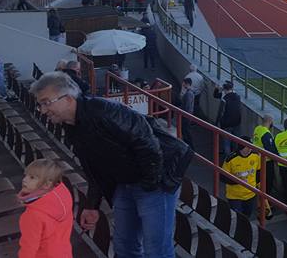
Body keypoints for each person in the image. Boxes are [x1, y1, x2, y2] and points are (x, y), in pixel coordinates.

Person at [31, 71, 192, 258]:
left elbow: (147, 143)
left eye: (46, 103)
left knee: (156, 250)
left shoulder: (103, 110)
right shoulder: (71, 125)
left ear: (67, 99)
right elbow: (93, 168)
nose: (43, 110)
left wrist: (149, 186)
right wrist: (92, 205)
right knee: (124, 245)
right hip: (126, 182)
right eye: (40, 104)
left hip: (156, 179)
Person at [17, 159, 73, 258]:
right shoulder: (63, 196)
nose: (24, 180)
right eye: (26, 175)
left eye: (32, 177)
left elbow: (28, 248)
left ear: (47, 185)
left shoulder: (32, 215)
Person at [222, 137, 260, 217]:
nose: (250, 149)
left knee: (247, 215)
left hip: (250, 193)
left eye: (251, 146)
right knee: (236, 217)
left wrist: (256, 185)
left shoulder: (255, 156)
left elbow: (259, 172)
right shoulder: (231, 159)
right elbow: (223, 177)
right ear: (241, 147)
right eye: (247, 147)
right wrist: (238, 181)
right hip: (235, 196)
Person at [251, 115, 279, 219]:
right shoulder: (266, 134)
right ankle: (265, 209)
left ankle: (262, 206)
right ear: (270, 122)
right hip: (265, 162)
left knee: (260, 184)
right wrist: (277, 160)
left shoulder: (257, 129)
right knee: (267, 184)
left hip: (257, 161)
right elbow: (270, 151)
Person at [215, 81, 242, 155]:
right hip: (237, 122)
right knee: (236, 141)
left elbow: (221, 112)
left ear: (224, 89)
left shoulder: (224, 99)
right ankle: (236, 156)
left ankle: (227, 158)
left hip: (227, 123)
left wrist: (217, 123)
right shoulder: (238, 97)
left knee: (226, 142)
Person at [178, 78, 196, 148]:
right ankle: (190, 147)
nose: (182, 84)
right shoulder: (190, 92)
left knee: (186, 131)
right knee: (186, 131)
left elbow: (187, 106)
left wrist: (183, 113)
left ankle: (190, 147)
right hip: (187, 115)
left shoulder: (188, 94)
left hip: (186, 116)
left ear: (187, 84)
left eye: (184, 83)